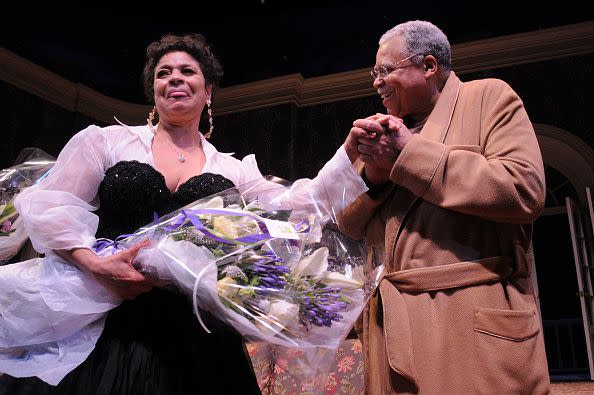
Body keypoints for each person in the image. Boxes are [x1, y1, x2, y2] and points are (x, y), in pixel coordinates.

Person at [0, 33, 368, 394]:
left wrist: (351, 154)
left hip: (198, 335)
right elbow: (49, 209)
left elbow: (304, 201)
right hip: (111, 323)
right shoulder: (106, 142)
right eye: (163, 73)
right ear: (154, 91)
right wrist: (97, 265)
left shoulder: (233, 171)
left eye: (187, 71)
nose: (174, 77)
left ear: (208, 92)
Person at [338, 20, 550, 394]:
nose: (376, 81)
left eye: (386, 70)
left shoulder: (488, 98)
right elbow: (346, 225)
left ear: (429, 66)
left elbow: (524, 189)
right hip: (393, 329)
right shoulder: (384, 132)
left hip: (470, 321)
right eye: (374, 72)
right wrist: (374, 176)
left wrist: (409, 154)